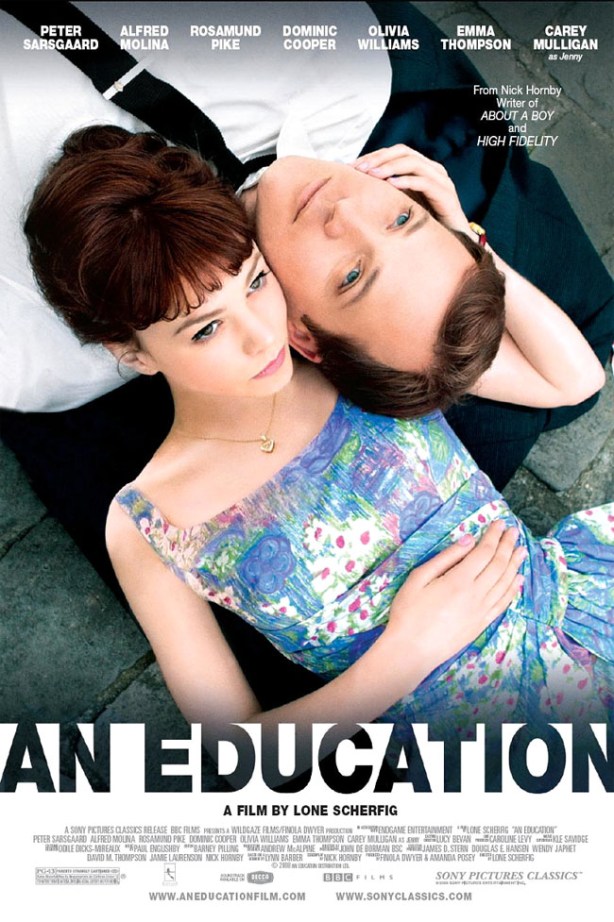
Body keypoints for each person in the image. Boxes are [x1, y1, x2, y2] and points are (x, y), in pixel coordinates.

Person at [23, 126, 613, 772]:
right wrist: (407, 653)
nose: (261, 336)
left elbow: (573, 379)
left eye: (255, 281)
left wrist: (463, 243)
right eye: (206, 328)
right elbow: (235, 755)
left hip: (587, 615)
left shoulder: (338, 355)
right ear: (134, 353)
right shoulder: (147, 523)